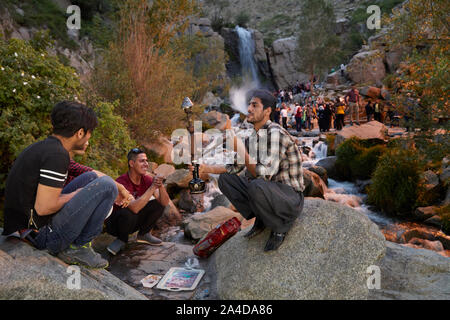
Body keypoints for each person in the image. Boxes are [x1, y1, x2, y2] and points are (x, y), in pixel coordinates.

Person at [2, 101, 119, 268]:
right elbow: (44, 207)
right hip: (40, 237)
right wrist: (75, 194)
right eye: (89, 133)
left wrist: (78, 192)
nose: (89, 138)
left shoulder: (45, 147)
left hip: (29, 226)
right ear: (80, 133)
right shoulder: (57, 155)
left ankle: (78, 245)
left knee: (91, 177)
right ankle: (78, 248)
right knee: (108, 185)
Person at [191, 89, 304, 252]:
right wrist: (205, 169)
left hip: (289, 198)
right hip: (269, 192)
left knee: (256, 184)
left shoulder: (275, 133)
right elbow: (233, 167)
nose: (249, 109)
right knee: (226, 179)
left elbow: (264, 174)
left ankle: (280, 227)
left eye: (254, 105)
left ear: (267, 111)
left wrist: (240, 149)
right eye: (249, 104)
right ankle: (263, 218)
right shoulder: (254, 136)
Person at [105, 148, 172, 255]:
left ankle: (144, 234)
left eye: (146, 161)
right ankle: (121, 240)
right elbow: (134, 208)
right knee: (128, 211)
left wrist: (160, 185)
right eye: (142, 161)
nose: (146, 164)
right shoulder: (122, 182)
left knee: (158, 204)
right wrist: (152, 188)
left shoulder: (147, 179)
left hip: (133, 221)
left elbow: (164, 203)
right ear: (131, 163)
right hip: (116, 224)